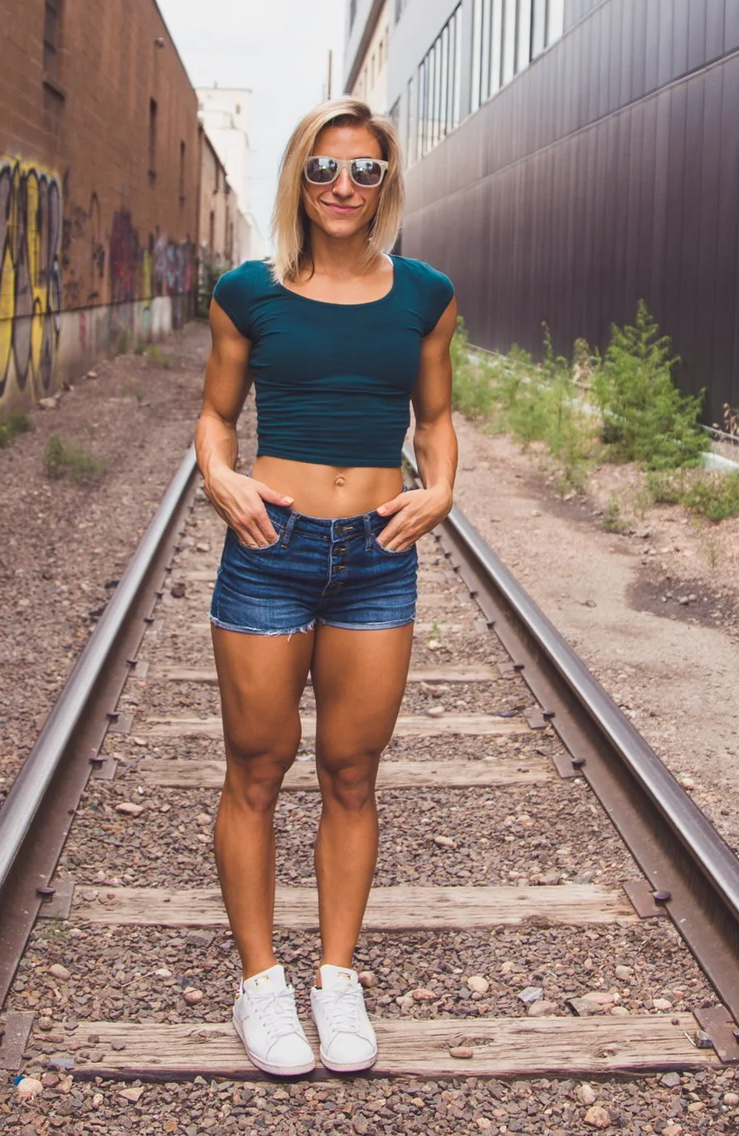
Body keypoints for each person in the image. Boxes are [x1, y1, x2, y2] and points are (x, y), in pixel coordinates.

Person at [193, 98, 458, 1076]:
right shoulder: (246, 293)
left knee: (352, 771)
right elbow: (216, 415)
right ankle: (261, 984)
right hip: (271, 547)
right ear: (298, 179)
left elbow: (433, 416)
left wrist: (444, 487)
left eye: (364, 172)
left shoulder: (425, 294)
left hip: (378, 555)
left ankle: (335, 980)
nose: (343, 187)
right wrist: (219, 476)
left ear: (386, 185)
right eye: (324, 170)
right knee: (256, 768)